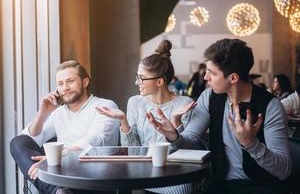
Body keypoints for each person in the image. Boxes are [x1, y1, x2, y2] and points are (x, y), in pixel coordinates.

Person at [147, 39, 291, 194]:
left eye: (212, 73)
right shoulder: (208, 97)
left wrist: (251, 144)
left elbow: (283, 170)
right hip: (218, 184)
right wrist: (175, 136)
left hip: (261, 186)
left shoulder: (271, 106)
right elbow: (191, 139)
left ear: (233, 78)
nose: (205, 78)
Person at [97, 40, 198, 193]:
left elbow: (188, 152)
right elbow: (134, 152)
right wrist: (123, 122)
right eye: (137, 77)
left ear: (159, 81)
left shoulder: (185, 104)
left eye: (141, 78)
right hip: (143, 174)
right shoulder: (135, 102)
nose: (136, 82)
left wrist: (176, 124)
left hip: (175, 175)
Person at [10, 60, 120, 194]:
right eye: (60, 84)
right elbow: (29, 138)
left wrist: (56, 157)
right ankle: (57, 191)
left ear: (85, 82)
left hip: (95, 181)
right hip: (65, 180)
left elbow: (93, 140)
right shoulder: (59, 113)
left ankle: (55, 190)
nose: (65, 87)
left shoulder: (105, 106)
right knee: (17, 142)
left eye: (70, 81)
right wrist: (43, 113)